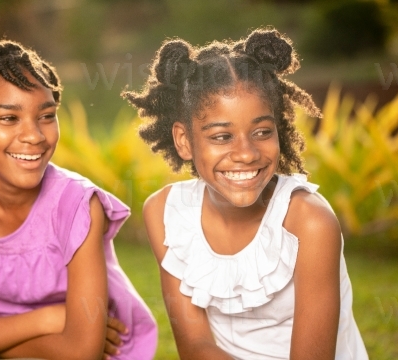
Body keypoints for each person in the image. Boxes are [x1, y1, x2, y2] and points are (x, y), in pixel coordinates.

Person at [122, 28, 368, 360]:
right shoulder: (165, 213)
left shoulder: (308, 222)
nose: (247, 153)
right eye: (222, 137)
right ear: (183, 141)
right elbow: (196, 346)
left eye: (262, 132)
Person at [0, 40, 157, 360]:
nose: (35, 136)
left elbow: (82, 351)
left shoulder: (77, 206)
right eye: (9, 118)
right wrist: (50, 319)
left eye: (46, 115)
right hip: (37, 339)